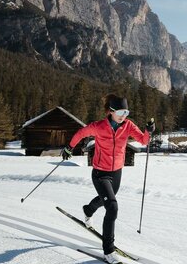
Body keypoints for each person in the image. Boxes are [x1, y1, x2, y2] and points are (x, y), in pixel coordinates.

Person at [61, 94, 155, 264]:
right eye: (120, 112)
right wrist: (69, 147)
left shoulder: (128, 125)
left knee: (107, 201)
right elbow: (81, 133)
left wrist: (148, 131)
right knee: (112, 207)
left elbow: (143, 140)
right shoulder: (99, 126)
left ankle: (88, 210)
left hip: (117, 172)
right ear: (111, 111)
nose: (124, 115)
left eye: (126, 112)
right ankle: (108, 251)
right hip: (100, 173)